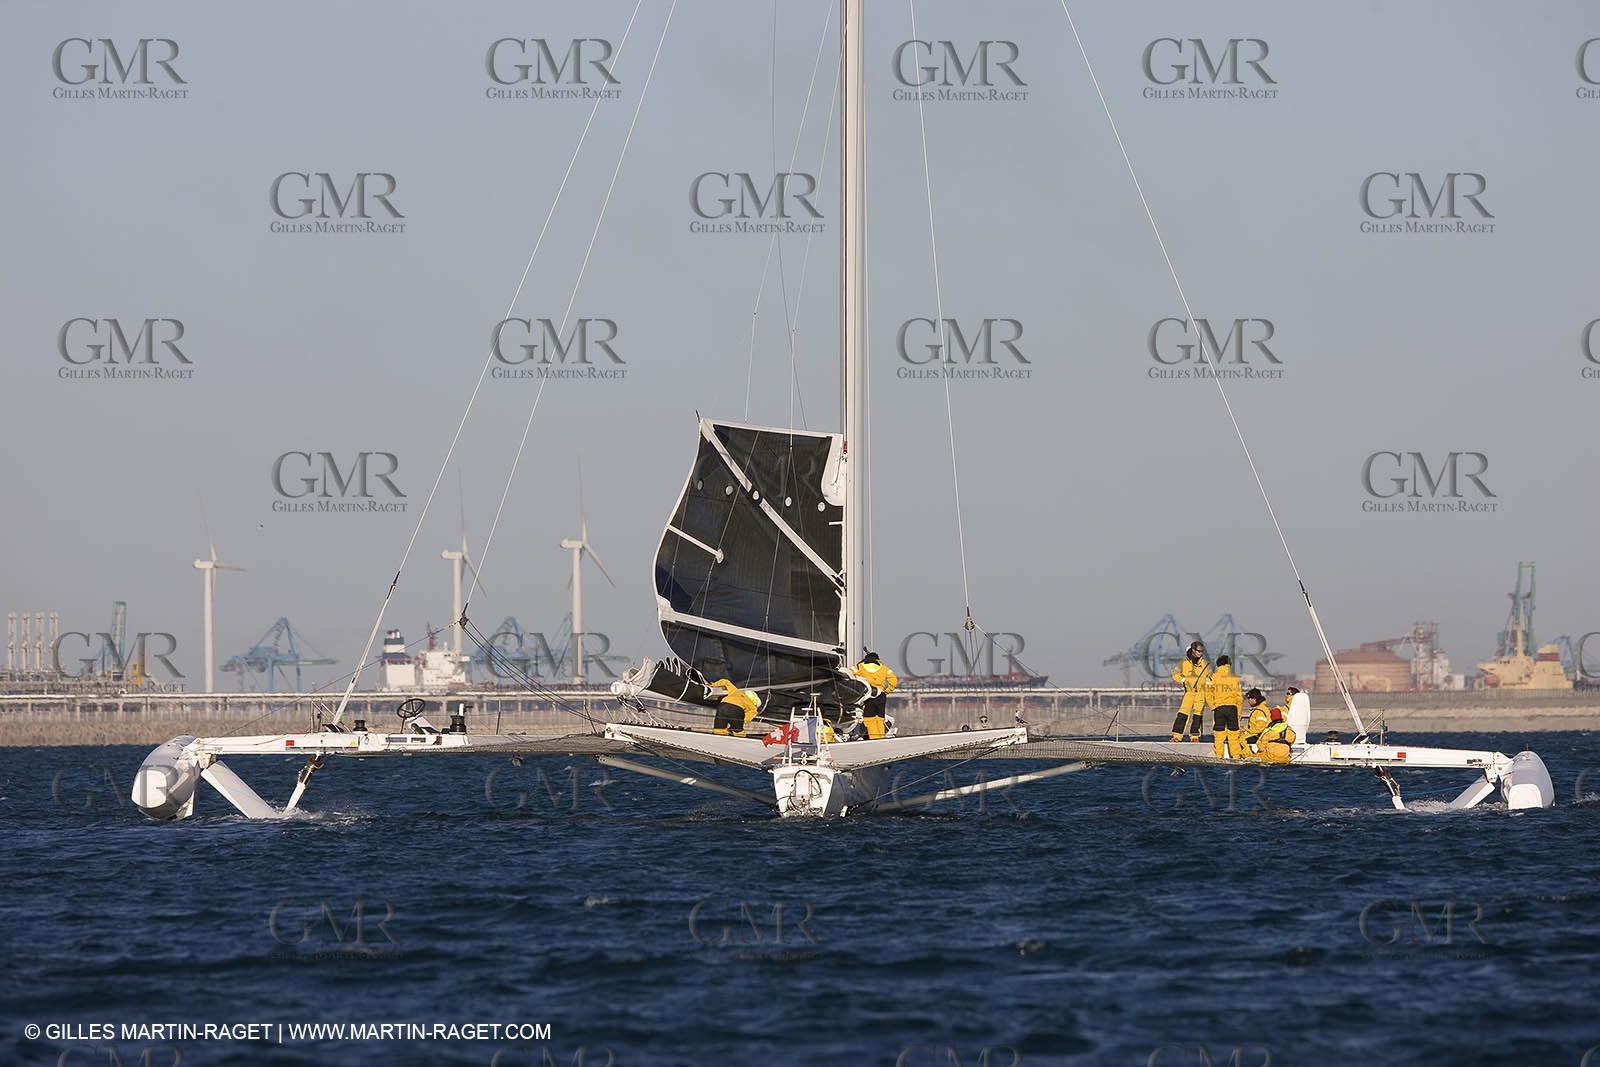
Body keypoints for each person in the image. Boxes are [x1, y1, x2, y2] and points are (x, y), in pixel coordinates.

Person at [1205, 654, 1247, 759]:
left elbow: (1208, 694)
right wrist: (1239, 712)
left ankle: (1219, 756)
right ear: (1229, 664)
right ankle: (1236, 756)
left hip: (1219, 708)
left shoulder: (1212, 677)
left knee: (1219, 734)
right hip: (1232, 708)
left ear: (1218, 664)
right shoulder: (1235, 678)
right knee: (1234, 734)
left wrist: (1213, 706)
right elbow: (1239, 697)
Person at [1170, 640, 1211, 742]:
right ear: (1193, 650)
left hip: (1201, 693)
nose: (1200, 653)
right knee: (1183, 713)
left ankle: (1194, 736)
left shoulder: (1205, 664)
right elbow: (1175, 674)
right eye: (1199, 651)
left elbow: (1211, 677)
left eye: (1202, 651)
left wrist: (1208, 683)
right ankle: (1177, 735)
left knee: (1198, 715)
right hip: (1189, 692)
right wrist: (1183, 680)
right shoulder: (1183, 663)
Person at [852, 652, 898, 739]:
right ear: (877, 659)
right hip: (881, 695)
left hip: (868, 696)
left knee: (869, 718)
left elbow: (849, 673)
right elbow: (894, 680)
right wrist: (887, 691)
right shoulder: (884, 668)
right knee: (880, 718)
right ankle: (880, 737)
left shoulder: (860, 667)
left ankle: (874, 738)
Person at [1241, 687, 1272, 757]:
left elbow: (1260, 728)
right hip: (1257, 733)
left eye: (1250, 698)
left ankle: (1248, 755)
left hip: (1260, 735)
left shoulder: (1259, 711)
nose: (1249, 700)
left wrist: (1246, 730)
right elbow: (1254, 726)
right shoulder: (1258, 709)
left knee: (1241, 739)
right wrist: (1244, 729)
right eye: (1248, 698)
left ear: (1256, 699)